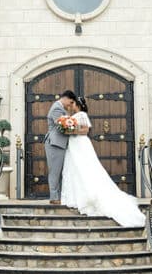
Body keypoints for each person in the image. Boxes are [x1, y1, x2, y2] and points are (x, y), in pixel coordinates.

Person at [61, 97, 145, 227]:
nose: (71, 106)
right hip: (73, 144)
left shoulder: (82, 114)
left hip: (80, 143)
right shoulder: (72, 116)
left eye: (73, 104)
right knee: (74, 168)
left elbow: (85, 130)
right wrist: (66, 128)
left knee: (84, 167)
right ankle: (74, 196)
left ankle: (87, 197)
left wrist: (72, 130)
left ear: (77, 105)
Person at [44, 89, 79, 205]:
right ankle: (54, 197)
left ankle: (58, 196)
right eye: (70, 102)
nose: (70, 105)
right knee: (55, 171)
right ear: (67, 98)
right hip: (55, 143)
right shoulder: (57, 108)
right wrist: (77, 130)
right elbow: (62, 127)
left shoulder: (61, 108)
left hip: (59, 144)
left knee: (59, 171)